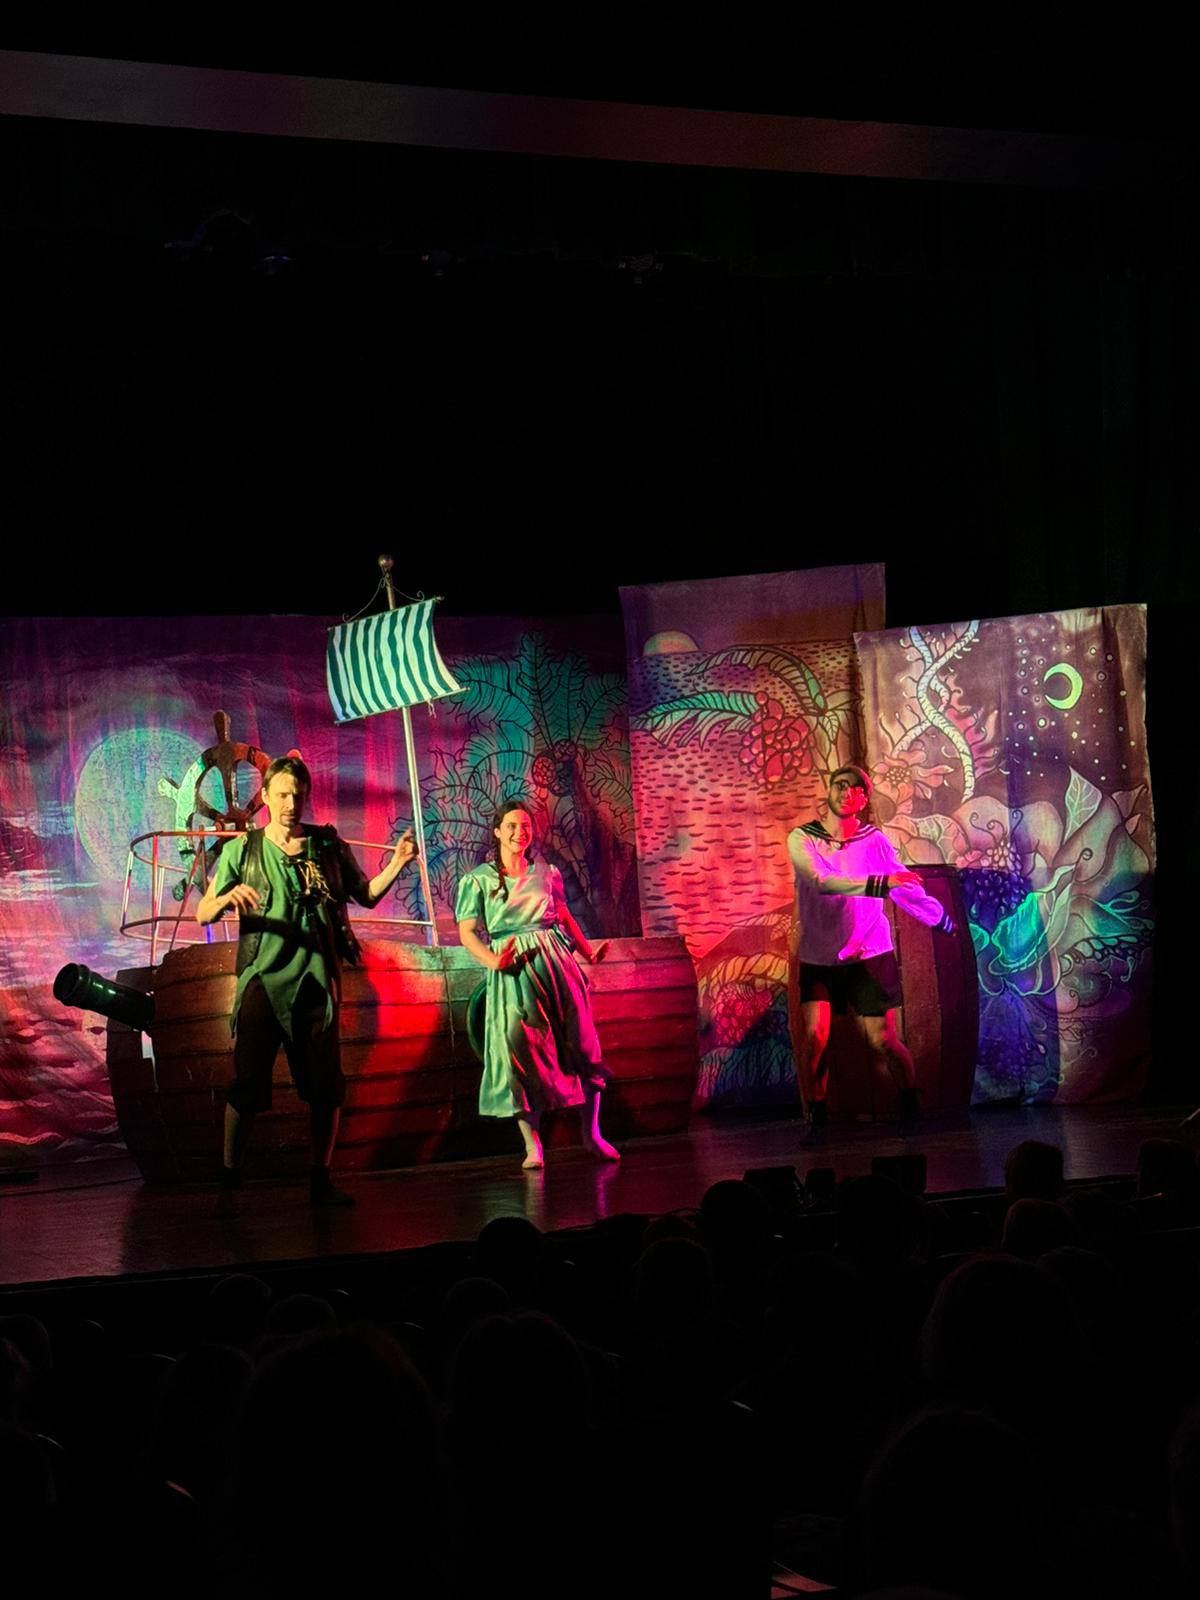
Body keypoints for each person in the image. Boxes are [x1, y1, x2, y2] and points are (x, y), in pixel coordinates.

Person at [195, 755, 417, 1209]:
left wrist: (397, 862)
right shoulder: (245, 850)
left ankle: (320, 1179)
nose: (290, 803)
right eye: (281, 795)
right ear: (266, 797)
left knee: (325, 1087)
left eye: (297, 795)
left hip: (314, 981)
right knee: (248, 1084)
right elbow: (203, 913)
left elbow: (365, 895)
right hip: (262, 980)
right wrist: (226, 898)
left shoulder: (327, 846)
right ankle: (229, 1182)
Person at [787, 764, 955, 1133]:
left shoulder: (873, 840)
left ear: (864, 799)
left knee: (884, 1040)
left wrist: (938, 916)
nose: (846, 792)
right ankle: (817, 1119)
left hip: (869, 952)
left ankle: (910, 1107)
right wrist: (882, 882)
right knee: (815, 1038)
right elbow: (822, 880)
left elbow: (901, 884)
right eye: (839, 785)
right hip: (819, 955)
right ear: (829, 791)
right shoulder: (802, 838)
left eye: (855, 788)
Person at [455, 800, 619, 1170]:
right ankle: (533, 1146)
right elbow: (467, 932)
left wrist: (588, 953)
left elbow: (563, 916)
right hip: (514, 969)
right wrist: (494, 961)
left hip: (556, 963)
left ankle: (591, 1134)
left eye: (526, 825)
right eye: (512, 826)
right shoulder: (478, 879)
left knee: (583, 1046)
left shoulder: (547, 873)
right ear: (498, 831)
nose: (520, 832)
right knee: (520, 1052)